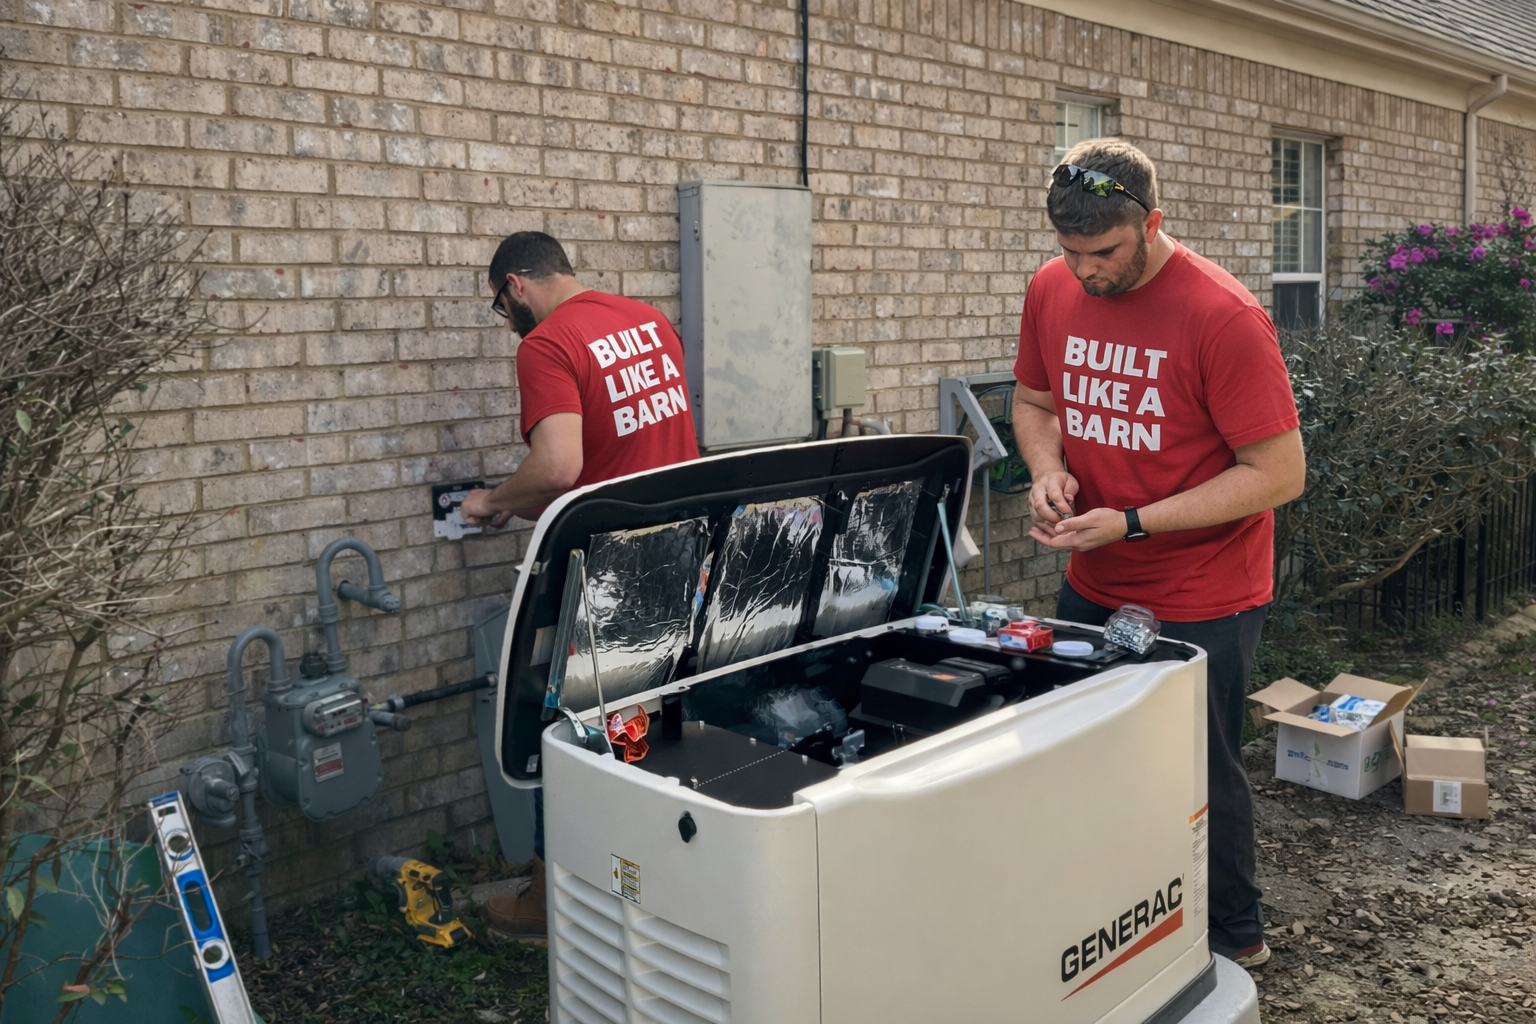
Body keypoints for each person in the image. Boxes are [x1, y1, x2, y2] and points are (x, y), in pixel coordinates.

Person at [1012, 138, 1305, 969]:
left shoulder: (1222, 315)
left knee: (1198, 770)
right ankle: (1120, 919)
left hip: (1206, 588)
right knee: (1088, 754)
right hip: (1096, 576)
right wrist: (1048, 472)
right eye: (1070, 254)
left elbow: (1279, 473)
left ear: (1153, 225)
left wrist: (1134, 521)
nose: (1085, 273)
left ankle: (1233, 935)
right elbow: (1035, 401)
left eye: (1103, 252)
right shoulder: (1051, 287)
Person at [459, 231, 699, 937]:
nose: (507, 322)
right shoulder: (647, 320)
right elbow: (615, 457)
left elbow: (560, 466)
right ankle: (655, 877)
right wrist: (517, 500)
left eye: (501, 307)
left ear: (515, 286)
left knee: (567, 731)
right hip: (678, 549)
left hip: (610, 570)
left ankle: (547, 897)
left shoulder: (545, 345)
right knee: (650, 726)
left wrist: (486, 500)